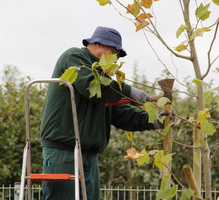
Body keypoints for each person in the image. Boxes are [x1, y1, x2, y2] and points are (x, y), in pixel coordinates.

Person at [39, 26, 164, 200]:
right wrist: (128, 91)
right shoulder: (75, 58)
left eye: (118, 56)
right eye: (113, 52)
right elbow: (91, 86)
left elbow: (120, 113)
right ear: (97, 44)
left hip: (89, 155)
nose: (115, 59)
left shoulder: (104, 83)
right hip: (63, 152)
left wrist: (155, 120)